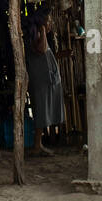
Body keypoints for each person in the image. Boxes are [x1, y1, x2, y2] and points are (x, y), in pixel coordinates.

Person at [25, 10, 63, 156]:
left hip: (46, 80)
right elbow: (41, 49)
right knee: (41, 112)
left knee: (44, 111)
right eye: (48, 21)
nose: (50, 24)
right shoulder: (36, 36)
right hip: (40, 81)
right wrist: (42, 29)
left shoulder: (40, 36)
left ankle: (38, 144)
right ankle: (36, 145)